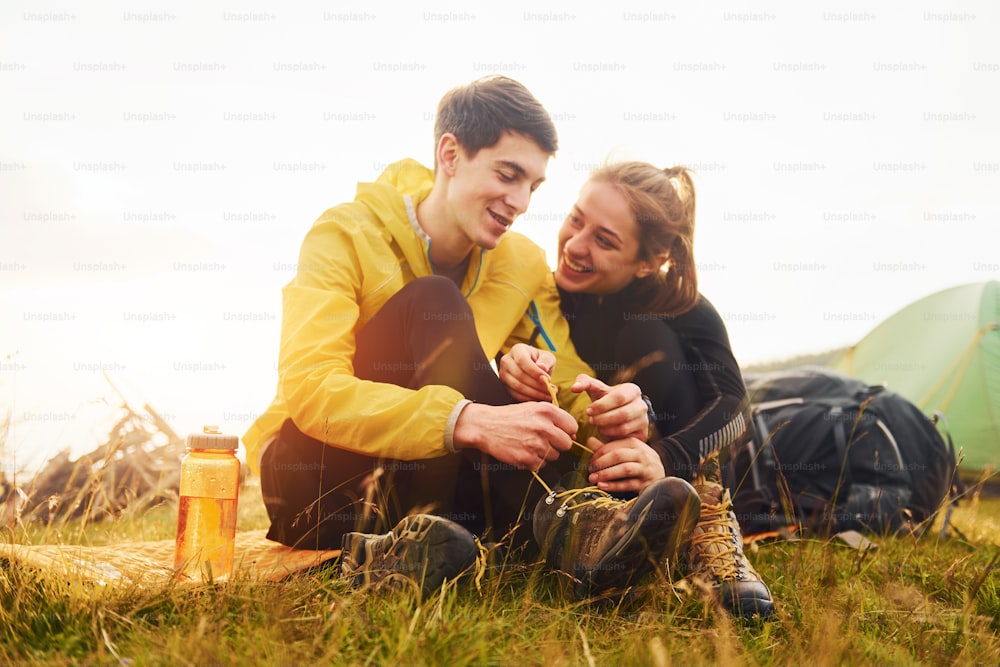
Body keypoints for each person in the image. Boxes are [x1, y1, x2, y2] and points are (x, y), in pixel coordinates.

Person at [243, 77, 699, 599]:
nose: (521, 201)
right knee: (433, 301)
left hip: (427, 486)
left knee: (511, 401)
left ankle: (411, 552)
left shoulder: (521, 263)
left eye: (534, 185)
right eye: (508, 175)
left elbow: (567, 373)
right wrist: (467, 420)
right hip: (314, 483)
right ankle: (569, 531)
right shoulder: (344, 234)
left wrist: (611, 409)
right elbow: (311, 388)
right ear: (451, 154)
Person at [500, 161, 776, 618]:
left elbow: (734, 407)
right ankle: (599, 527)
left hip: (675, 456)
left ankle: (704, 525)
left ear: (650, 262)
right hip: (589, 469)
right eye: (575, 219)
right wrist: (516, 365)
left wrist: (666, 457)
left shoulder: (682, 305)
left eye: (604, 240)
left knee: (644, 335)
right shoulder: (545, 297)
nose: (575, 244)